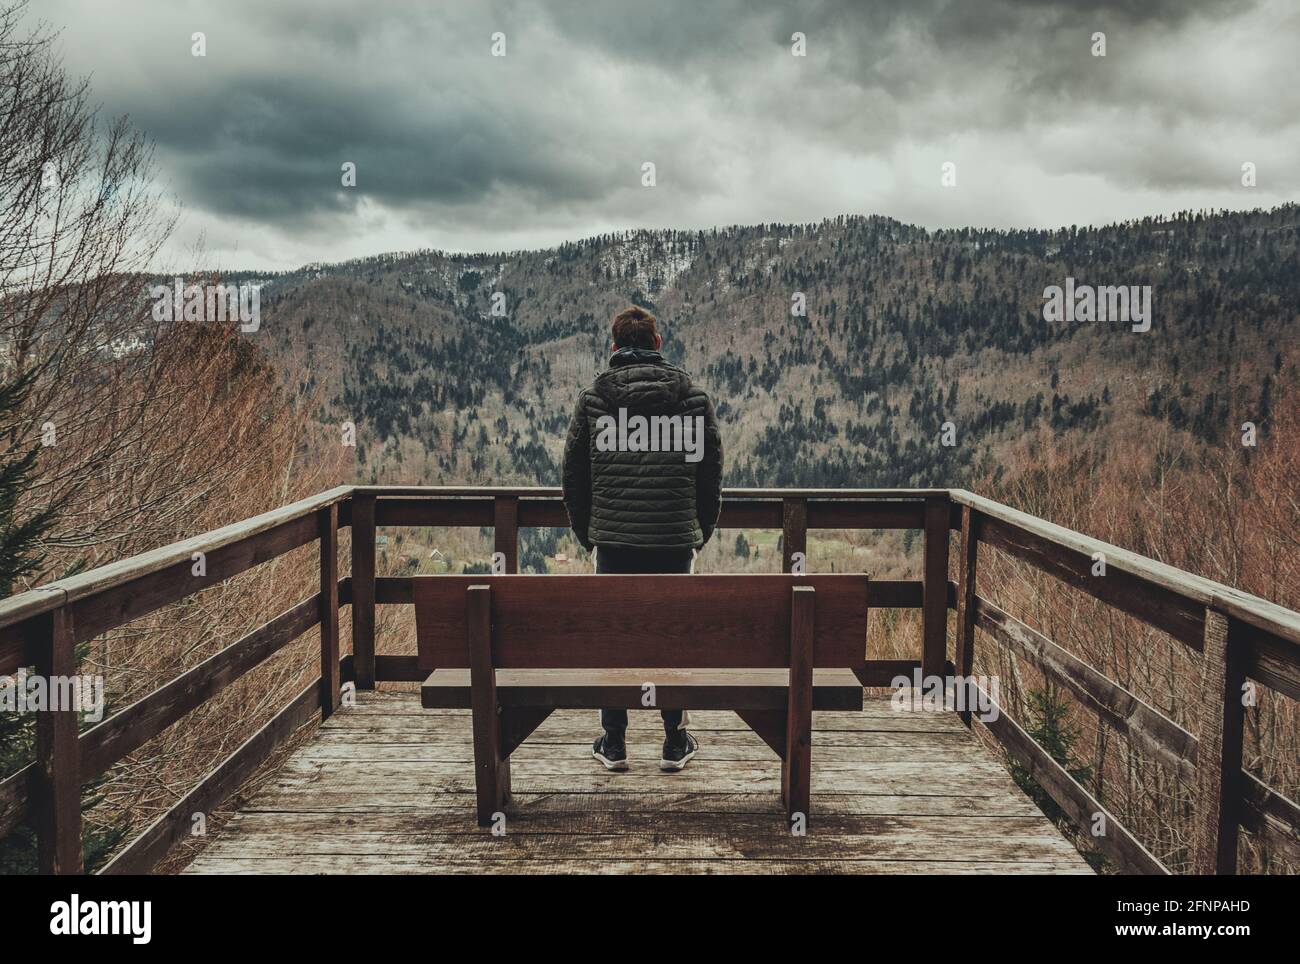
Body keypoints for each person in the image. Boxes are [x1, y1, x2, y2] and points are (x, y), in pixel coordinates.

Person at [561, 306, 723, 771]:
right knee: (672, 637)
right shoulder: (692, 399)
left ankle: (613, 743)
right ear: (658, 345)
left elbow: (573, 479)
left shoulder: (594, 399)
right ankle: (675, 741)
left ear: (614, 348)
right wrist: (698, 532)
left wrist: (592, 536)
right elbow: (711, 477)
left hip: (614, 544)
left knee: (616, 639)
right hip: (674, 543)